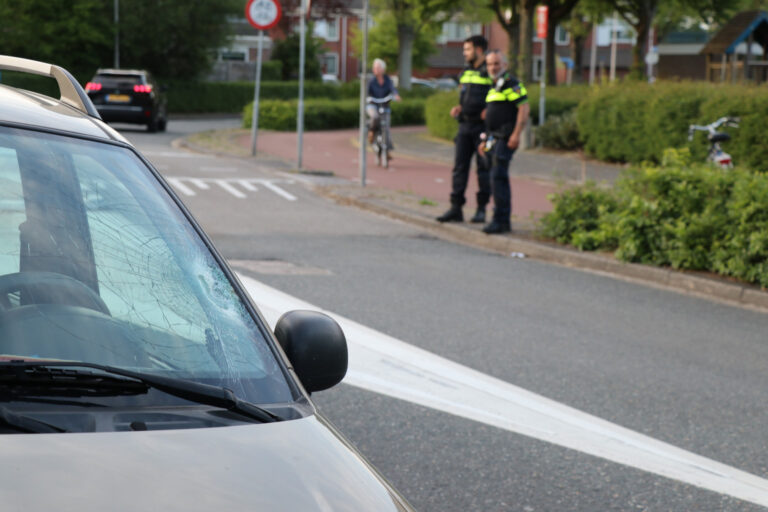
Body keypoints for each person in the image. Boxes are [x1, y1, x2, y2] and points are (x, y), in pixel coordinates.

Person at [436, 35, 492, 224]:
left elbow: (498, 98)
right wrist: (459, 108)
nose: (464, 53)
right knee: (459, 168)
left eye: (467, 50)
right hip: (465, 125)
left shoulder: (490, 71)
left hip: (483, 128)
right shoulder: (466, 71)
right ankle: (456, 208)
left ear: (478, 50)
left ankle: (481, 209)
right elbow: (465, 96)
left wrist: (489, 111)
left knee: (483, 169)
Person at [477, 50, 529, 234]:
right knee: (494, 178)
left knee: (498, 177)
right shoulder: (493, 87)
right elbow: (490, 119)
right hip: (494, 137)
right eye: (490, 64)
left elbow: (523, 107)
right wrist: (484, 140)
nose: (492, 67)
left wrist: (516, 134)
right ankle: (499, 219)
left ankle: (501, 220)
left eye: (496, 63)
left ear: (504, 65)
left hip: (506, 138)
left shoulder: (511, 83)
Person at [366, 58, 401, 158]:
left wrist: (396, 95)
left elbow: (392, 89)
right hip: (372, 104)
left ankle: (387, 150)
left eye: (377, 68)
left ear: (383, 69)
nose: (375, 69)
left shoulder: (387, 80)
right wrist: (368, 98)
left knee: (386, 128)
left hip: (384, 105)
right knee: (375, 117)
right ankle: (372, 132)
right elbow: (367, 92)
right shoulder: (371, 81)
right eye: (374, 67)